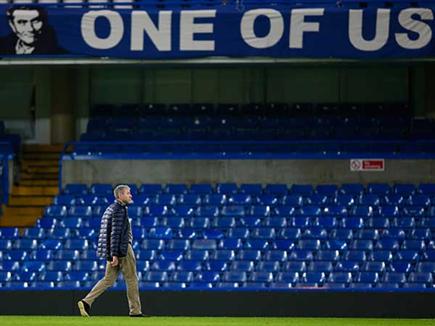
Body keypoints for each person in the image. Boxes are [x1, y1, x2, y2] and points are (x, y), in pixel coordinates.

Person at [77, 185, 144, 317]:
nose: (130, 195)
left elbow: (106, 233)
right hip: (122, 249)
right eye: (128, 193)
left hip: (113, 249)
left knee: (108, 279)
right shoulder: (119, 210)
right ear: (120, 196)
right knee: (131, 279)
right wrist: (114, 254)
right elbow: (115, 233)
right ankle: (135, 311)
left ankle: (86, 302)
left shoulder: (110, 209)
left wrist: (110, 253)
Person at [0, 6, 67, 55]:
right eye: (22, 22)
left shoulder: (58, 53)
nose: (30, 28)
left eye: (35, 21)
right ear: (12, 25)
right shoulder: (3, 45)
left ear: (44, 22)